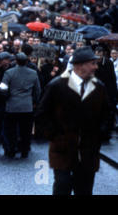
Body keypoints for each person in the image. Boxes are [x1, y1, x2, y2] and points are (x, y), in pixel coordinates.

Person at [35, 46, 114, 195]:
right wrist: (53, 135)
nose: (96, 67)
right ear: (80, 65)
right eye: (93, 63)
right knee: (62, 186)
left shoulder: (98, 87)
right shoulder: (57, 85)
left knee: (84, 189)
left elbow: (108, 113)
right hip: (62, 149)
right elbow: (41, 113)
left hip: (88, 151)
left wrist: (101, 134)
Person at [0, 53, 41, 158]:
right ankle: (24, 151)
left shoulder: (9, 72)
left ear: (16, 61)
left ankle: (12, 149)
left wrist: (5, 97)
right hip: (27, 106)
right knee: (26, 131)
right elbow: (37, 90)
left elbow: (3, 88)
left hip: (12, 105)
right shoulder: (33, 73)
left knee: (11, 130)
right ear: (26, 62)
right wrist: (35, 101)